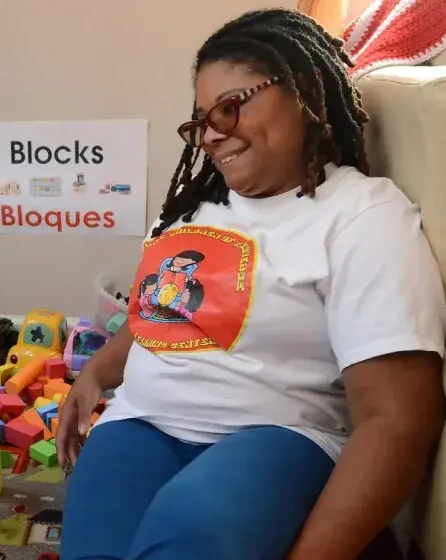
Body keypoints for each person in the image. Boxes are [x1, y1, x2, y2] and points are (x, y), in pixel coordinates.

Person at [58, 8, 446, 560]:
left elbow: (396, 421)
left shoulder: (361, 215)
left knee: (186, 535)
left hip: (277, 434)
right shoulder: (188, 211)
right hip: (140, 423)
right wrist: (96, 373)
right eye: (202, 121)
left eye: (230, 106)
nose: (213, 135)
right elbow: (159, 319)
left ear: (303, 88)